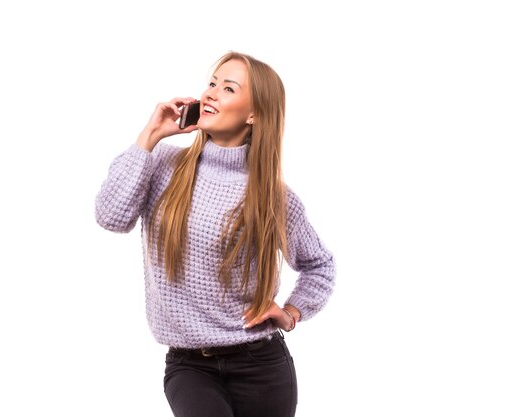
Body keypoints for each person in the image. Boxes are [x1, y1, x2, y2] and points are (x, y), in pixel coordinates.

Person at [95, 51, 335, 417]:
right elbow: (111, 216)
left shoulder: (273, 196)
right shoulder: (161, 166)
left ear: (254, 114)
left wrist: (290, 312)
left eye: (227, 88)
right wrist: (150, 136)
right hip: (190, 367)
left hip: (261, 366)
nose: (210, 93)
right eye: (211, 83)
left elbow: (320, 266)